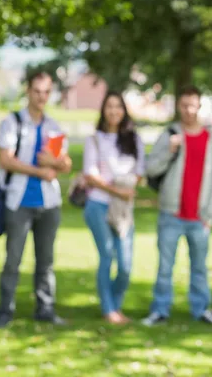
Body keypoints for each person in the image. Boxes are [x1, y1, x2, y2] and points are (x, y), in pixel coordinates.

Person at [0, 71, 73, 328]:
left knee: (46, 261)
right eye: (37, 91)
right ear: (28, 91)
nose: (41, 97)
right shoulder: (13, 123)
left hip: (49, 203)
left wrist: (52, 162)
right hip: (19, 202)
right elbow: (6, 160)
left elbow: (65, 164)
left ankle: (45, 309)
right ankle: (5, 311)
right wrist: (40, 170)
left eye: (47, 92)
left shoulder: (53, 127)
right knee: (13, 260)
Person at [142, 85, 212, 327]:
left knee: (200, 268)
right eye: (184, 105)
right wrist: (170, 151)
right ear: (179, 106)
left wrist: (210, 215)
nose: (189, 110)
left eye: (193, 105)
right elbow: (151, 169)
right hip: (171, 212)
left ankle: (200, 310)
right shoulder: (169, 135)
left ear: (199, 106)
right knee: (165, 267)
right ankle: (160, 310)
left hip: (200, 216)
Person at [82, 92, 145, 325]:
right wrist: (118, 190)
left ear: (124, 110)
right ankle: (109, 309)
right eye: (109, 106)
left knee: (126, 264)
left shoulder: (133, 140)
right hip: (98, 205)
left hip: (123, 210)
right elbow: (90, 175)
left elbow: (139, 171)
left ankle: (115, 304)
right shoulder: (95, 139)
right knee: (107, 255)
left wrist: (125, 188)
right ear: (103, 110)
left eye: (118, 106)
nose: (114, 111)